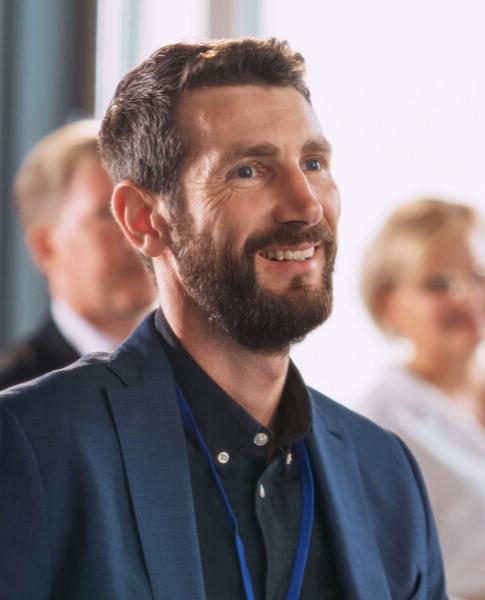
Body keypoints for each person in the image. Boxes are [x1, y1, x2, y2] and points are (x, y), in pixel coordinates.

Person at [0, 38, 446, 599]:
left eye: (313, 163)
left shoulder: (385, 472)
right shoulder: (36, 446)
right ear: (143, 219)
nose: (305, 205)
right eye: (248, 171)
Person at [356, 198, 485, 600]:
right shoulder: (372, 430)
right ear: (387, 304)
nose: (469, 296)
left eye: (482, 274)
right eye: (440, 283)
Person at [0, 119, 155, 389]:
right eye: (108, 214)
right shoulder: (10, 402)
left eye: (145, 207)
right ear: (46, 247)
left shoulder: (214, 379)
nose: (138, 229)